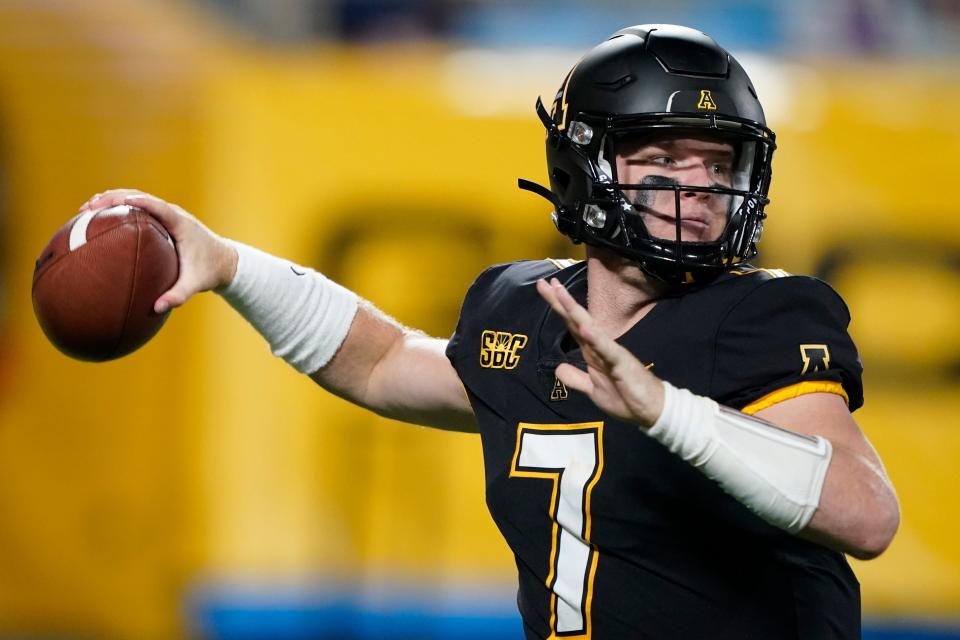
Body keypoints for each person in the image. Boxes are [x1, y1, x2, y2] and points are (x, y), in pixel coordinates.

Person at [81, 24, 899, 640]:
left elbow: (867, 516)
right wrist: (230, 264)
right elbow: (381, 361)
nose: (700, 189)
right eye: (665, 159)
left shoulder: (756, 317)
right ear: (585, 166)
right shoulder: (526, 310)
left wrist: (667, 412)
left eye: (718, 166)